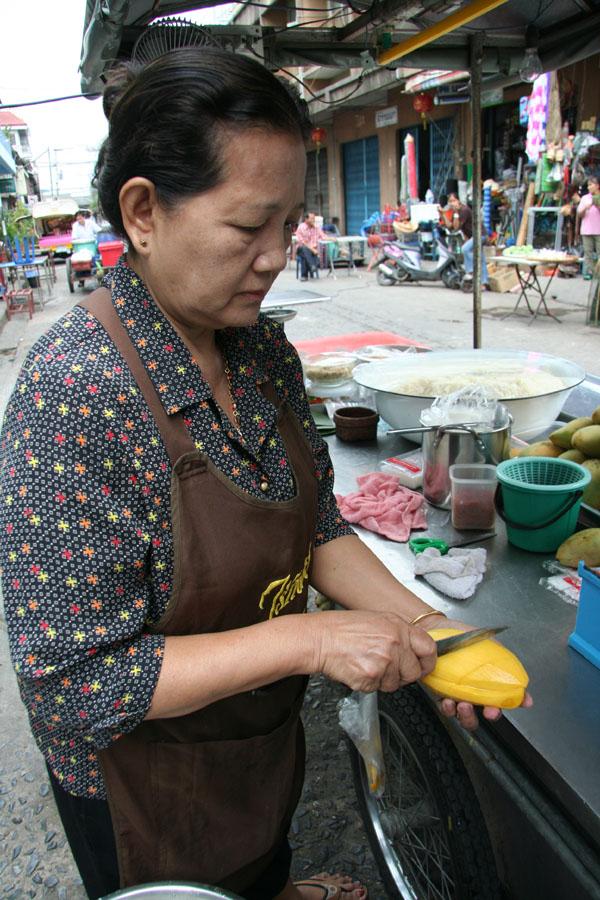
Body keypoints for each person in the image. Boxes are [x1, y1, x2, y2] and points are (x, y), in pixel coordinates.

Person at [0, 48, 531, 900]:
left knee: (261, 855)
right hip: (144, 781)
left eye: (290, 225)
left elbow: (315, 521)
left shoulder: (261, 351)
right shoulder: (76, 394)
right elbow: (74, 685)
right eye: (252, 228)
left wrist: (433, 635)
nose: (279, 255)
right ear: (144, 212)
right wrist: (312, 639)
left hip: (254, 729)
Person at [448, 192, 490, 289]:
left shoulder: (464, 210)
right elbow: (451, 226)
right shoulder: (457, 212)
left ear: (458, 200)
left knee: (465, 249)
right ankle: (484, 283)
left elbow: (457, 227)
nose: (452, 203)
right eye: (450, 201)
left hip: (480, 235)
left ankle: (470, 271)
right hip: (475, 236)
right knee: (481, 258)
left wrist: (456, 214)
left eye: (454, 200)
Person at [576, 175, 600, 279]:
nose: (589, 187)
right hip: (586, 230)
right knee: (588, 253)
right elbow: (579, 214)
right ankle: (590, 273)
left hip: (599, 230)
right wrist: (585, 207)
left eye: (591, 185)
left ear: (597, 186)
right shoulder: (585, 198)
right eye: (588, 185)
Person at [295, 211, 330, 280]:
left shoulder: (316, 227)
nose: (313, 220)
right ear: (306, 219)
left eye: (314, 219)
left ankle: (304, 276)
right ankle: (313, 265)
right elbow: (303, 242)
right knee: (304, 249)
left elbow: (323, 236)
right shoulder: (302, 227)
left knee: (304, 256)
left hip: (311, 250)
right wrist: (313, 249)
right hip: (301, 248)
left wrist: (332, 238)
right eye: (311, 218)